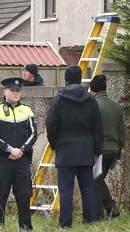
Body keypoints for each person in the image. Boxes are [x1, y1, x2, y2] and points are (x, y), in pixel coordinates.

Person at [46, 65, 103, 227]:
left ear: (65, 79)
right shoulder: (91, 99)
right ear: (80, 78)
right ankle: (90, 220)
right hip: (86, 149)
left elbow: (51, 124)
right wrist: (97, 149)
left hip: (65, 148)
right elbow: (98, 126)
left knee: (65, 189)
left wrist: (54, 144)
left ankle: (65, 223)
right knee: (87, 188)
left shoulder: (59, 99)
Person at [0, 77, 37, 230]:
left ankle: (26, 227)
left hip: (21, 160)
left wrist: (20, 150)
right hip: (2, 160)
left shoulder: (27, 110)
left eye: (18, 90)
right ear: (4, 91)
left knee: (24, 196)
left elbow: (33, 134)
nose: (16, 93)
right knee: (0, 196)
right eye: (12, 90)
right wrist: (9, 149)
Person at [89, 74, 125, 219]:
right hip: (113, 150)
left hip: (99, 151)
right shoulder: (117, 106)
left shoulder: (93, 104)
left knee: (94, 182)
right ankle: (111, 209)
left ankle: (99, 216)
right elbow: (122, 131)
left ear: (92, 88)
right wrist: (119, 149)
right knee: (98, 180)